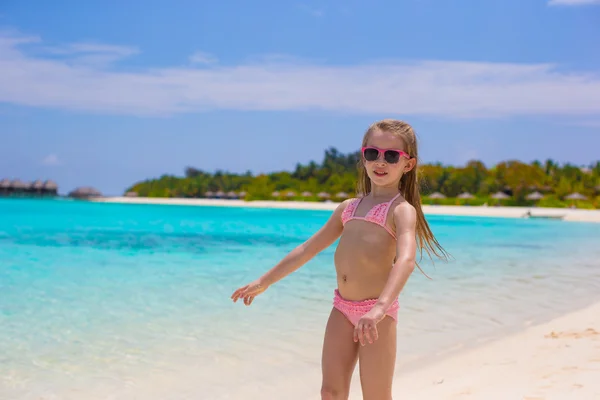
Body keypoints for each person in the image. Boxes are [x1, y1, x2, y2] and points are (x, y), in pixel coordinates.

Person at [231, 119, 449, 400]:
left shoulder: (401, 211)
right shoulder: (348, 208)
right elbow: (308, 249)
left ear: (408, 164)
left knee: (376, 396)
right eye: (373, 153)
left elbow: (406, 261)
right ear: (363, 156)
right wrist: (264, 281)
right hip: (342, 309)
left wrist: (379, 309)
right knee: (330, 392)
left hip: (377, 314)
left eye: (391, 156)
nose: (380, 162)